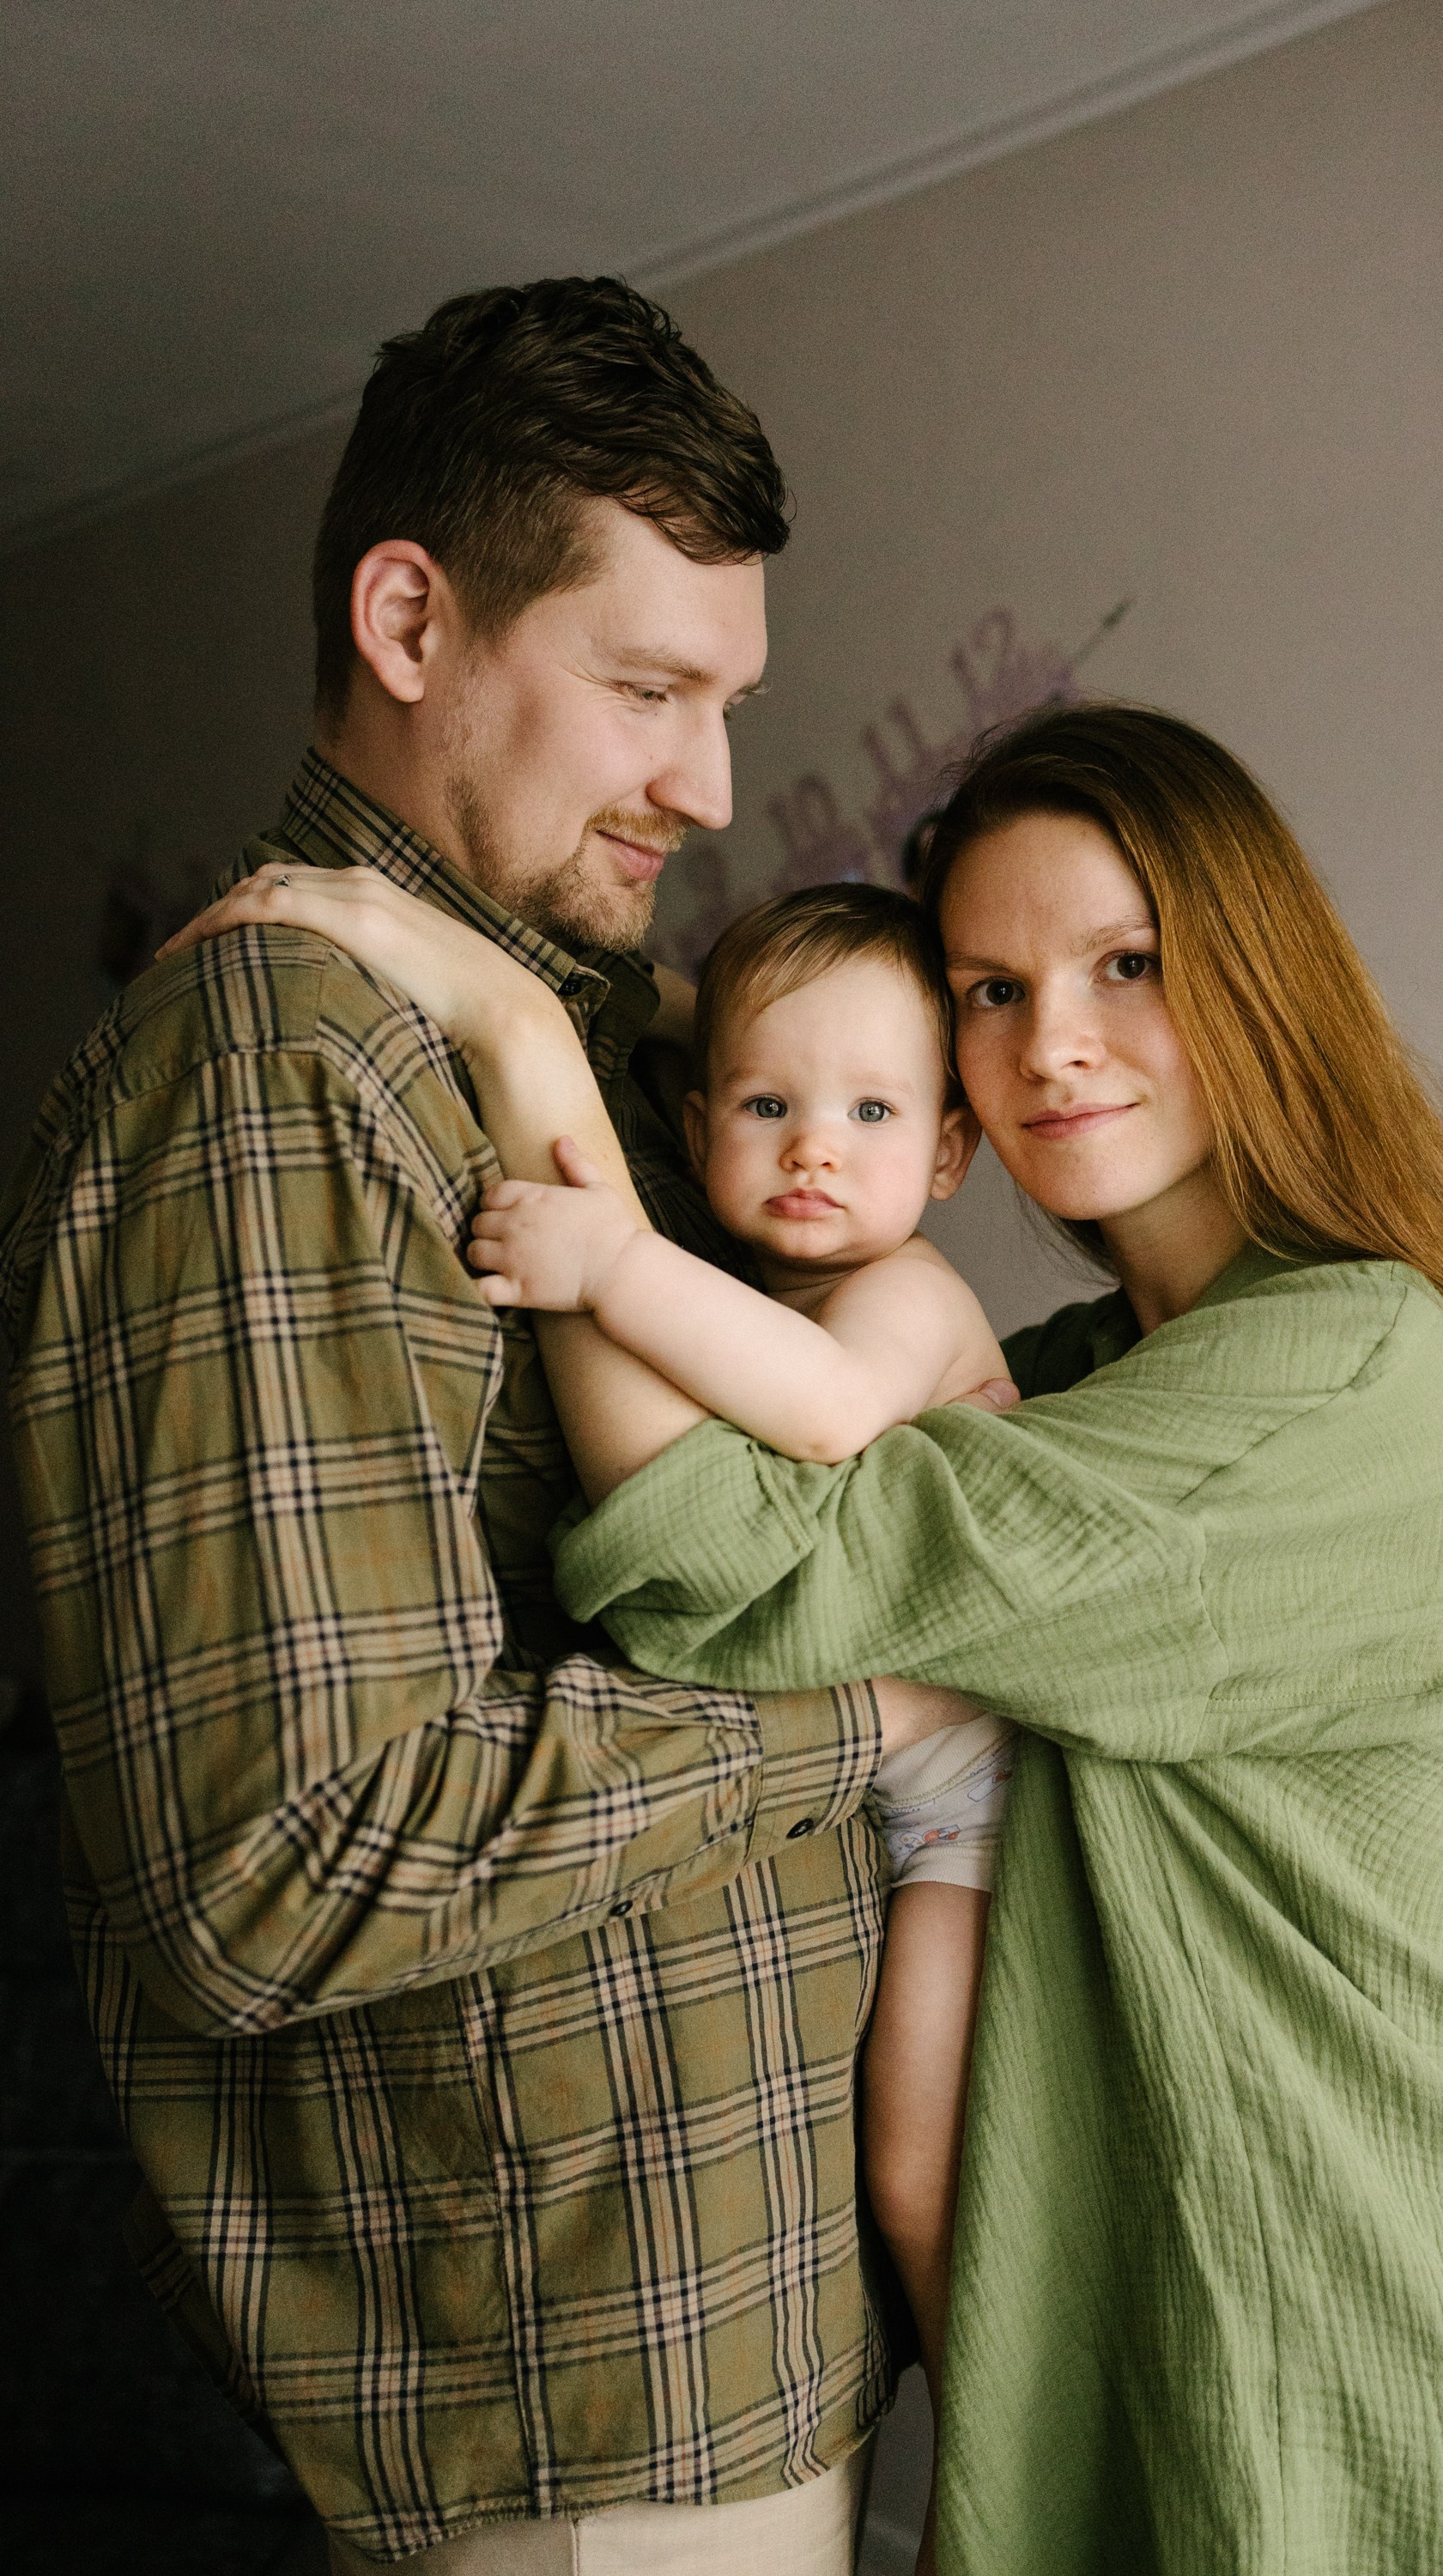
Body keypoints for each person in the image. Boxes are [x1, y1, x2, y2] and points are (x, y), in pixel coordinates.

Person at [235, 699, 1443, 2574]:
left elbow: (718, 1571)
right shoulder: (1113, 1381)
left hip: (1376, 2433)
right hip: (1168, 2398)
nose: (1050, 1046)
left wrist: (523, 1040)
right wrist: (676, 1018)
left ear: (1263, 977)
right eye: (988, 994)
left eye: (1126, 965)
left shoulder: (1355, 1390)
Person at [0, 275, 973, 2574]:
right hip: (571, 2428)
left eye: (728, 702)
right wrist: (865, 1715)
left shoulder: (634, 1060)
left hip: (747, 2355)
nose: (713, 785)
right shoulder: (269, 1067)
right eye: (648, 690)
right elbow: (279, 1867)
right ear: (410, 617)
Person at [163, 869, 1023, 2501]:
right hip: (876, 1802)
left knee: (923, 2173)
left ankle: (994, 2475)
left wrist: (611, 1265)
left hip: (977, 1798)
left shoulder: (904, 1299)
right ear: (697, 1121)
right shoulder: (757, 1276)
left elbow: (835, 1413)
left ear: (952, 1151)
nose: (815, 1146)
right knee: (899, 2162)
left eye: (869, 1110)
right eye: (768, 1104)